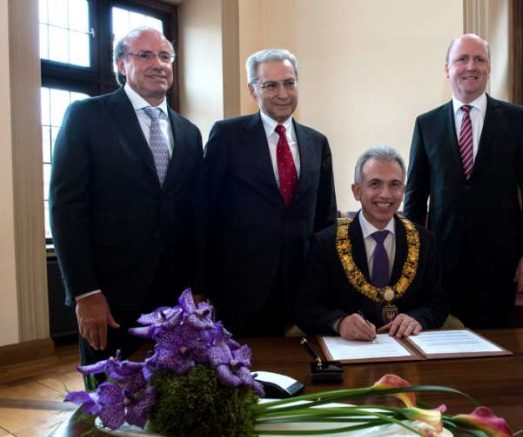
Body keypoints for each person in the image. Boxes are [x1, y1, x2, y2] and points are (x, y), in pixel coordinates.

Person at [49, 27, 205, 371]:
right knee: (109, 401)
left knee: (171, 395)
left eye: (165, 56)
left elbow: (196, 217)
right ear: (121, 64)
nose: (158, 64)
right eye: (145, 55)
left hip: (175, 300)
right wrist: (86, 294)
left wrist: (197, 289)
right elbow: (66, 210)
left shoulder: (190, 134)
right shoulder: (86, 118)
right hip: (110, 298)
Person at [404, 34, 523, 329]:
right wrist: (413, 258)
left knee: (495, 351)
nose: (471, 66)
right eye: (462, 59)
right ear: (447, 69)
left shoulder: (517, 120)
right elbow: (415, 196)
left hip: (500, 264)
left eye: (479, 59)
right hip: (442, 262)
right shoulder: (426, 124)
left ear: (489, 68)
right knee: (443, 346)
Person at [204, 49, 337, 337]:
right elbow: (205, 213)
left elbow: (325, 219)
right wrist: (205, 288)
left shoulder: (317, 142)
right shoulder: (227, 136)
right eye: (270, 85)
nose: (282, 93)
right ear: (252, 90)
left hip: (302, 289)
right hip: (241, 291)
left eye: (289, 83)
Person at [296, 146, 447, 340]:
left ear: (403, 190)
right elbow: (307, 307)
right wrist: (339, 322)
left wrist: (417, 318)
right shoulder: (326, 243)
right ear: (357, 191)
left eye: (394, 184)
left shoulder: (425, 240)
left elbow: (438, 301)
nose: (385, 194)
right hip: (348, 352)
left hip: (408, 351)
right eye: (375, 184)